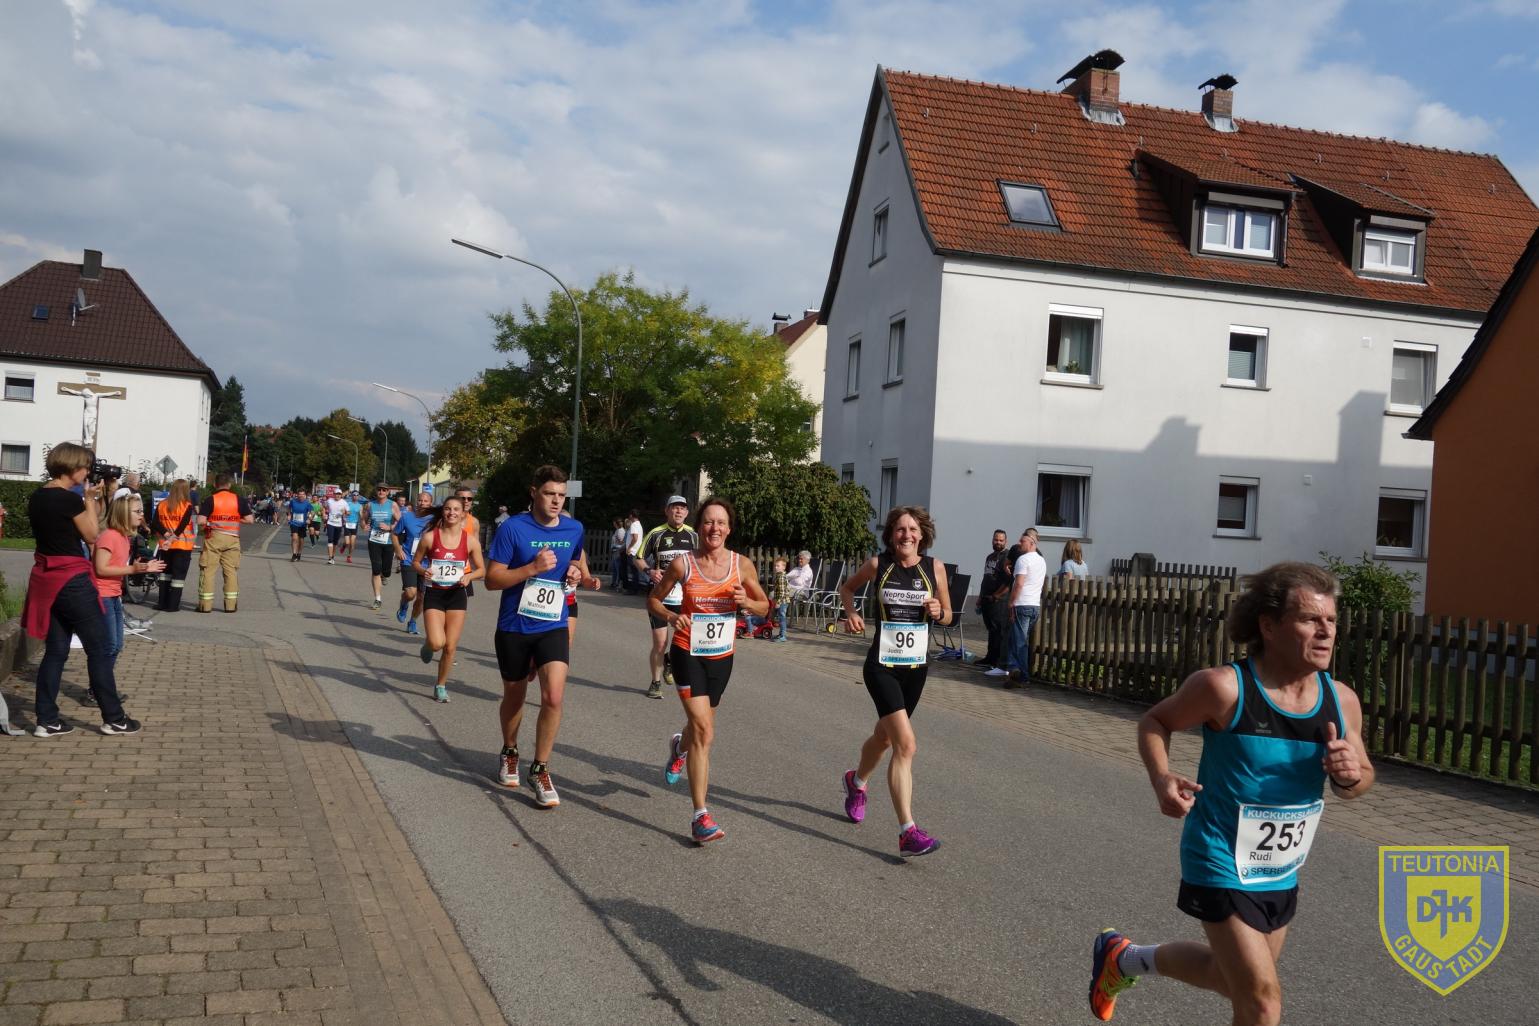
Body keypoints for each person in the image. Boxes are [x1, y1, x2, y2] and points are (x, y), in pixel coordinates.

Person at [1088, 562, 1374, 1024]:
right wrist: (1162, 777)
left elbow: (1360, 779)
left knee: (1228, 979)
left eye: (1331, 620)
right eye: (1310, 619)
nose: (1326, 632)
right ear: (1269, 626)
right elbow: (1155, 722)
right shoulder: (1224, 688)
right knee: (1262, 1003)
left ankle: (1123, 959)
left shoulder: (1341, 700)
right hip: (1218, 856)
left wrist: (1349, 775)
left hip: (1279, 869)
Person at [836, 506, 953, 858]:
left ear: (922, 534)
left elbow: (948, 615)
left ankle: (856, 781)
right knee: (906, 745)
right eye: (900, 529)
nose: (906, 535)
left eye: (913, 529)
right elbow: (847, 589)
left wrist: (939, 612)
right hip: (882, 667)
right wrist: (852, 612)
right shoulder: (879, 565)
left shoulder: (934, 568)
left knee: (885, 737)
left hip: (915, 669)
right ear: (891, 535)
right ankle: (907, 832)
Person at [651, 497, 769, 844]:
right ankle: (700, 816)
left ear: (729, 529)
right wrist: (672, 616)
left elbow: (765, 606)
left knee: (699, 727)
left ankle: (679, 748)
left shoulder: (741, 565)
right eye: (708, 522)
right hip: (687, 652)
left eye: (720, 523)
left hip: (721, 657)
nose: (714, 528)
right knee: (704, 730)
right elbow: (654, 600)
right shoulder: (682, 564)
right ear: (699, 527)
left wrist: (747, 603)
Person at [485, 465, 599, 808]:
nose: (556, 500)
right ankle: (509, 750)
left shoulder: (573, 528)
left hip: (553, 623)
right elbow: (492, 579)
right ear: (534, 492)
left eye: (561, 495)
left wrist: (578, 575)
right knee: (515, 695)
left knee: (553, 696)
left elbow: (574, 562)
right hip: (514, 626)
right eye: (550, 493)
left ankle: (540, 768)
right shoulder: (512, 528)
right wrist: (531, 568)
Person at [21, 443, 141, 736]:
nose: (88, 472)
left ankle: (47, 720)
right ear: (73, 467)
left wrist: (89, 500)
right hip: (72, 580)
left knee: (56, 651)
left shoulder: (38, 496)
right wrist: (88, 499)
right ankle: (114, 718)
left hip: (47, 580)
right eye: (86, 467)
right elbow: (92, 534)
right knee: (100, 649)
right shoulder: (67, 499)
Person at [411, 496, 485, 704]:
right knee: (437, 642)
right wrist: (423, 570)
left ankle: (441, 686)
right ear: (442, 512)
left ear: (463, 514)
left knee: (450, 646)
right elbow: (415, 562)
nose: (451, 512)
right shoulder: (429, 537)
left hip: (457, 595)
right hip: (435, 593)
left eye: (456, 509)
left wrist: (469, 576)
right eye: (447, 509)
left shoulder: (470, 541)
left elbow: (482, 570)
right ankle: (429, 645)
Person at [634, 495, 698, 699]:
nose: (678, 511)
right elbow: (638, 558)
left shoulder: (693, 536)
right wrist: (649, 571)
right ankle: (655, 683)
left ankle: (670, 659)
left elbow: (703, 561)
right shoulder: (656, 534)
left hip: (684, 599)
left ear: (687, 513)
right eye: (674, 508)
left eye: (682, 508)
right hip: (659, 598)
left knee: (687, 642)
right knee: (660, 643)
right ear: (667, 511)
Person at [93, 493, 165, 671]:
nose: (142, 515)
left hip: (114, 595)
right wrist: (133, 569)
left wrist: (144, 567)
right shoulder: (109, 536)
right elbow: (100, 569)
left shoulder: (124, 538)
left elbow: (119, 567)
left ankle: (103, 683)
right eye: (137, 511)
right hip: (102, 596)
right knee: (109, 646)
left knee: (117, 645)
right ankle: (100, 684)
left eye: (142, 511)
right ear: (123, 514)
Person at [195, 474, 252, 613]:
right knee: (231, 572)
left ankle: (205, 606)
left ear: (215, 485)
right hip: (232, 539)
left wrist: (211, 522)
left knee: (208, 571)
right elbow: (250, 520)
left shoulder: (210, 500)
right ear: (229, 485)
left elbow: (200, 521)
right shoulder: (239, 500)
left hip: (214, 538)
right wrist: (235, 519)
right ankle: (230, 605)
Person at [1006, 530, 1046, 688]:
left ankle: (1022, 676)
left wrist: (1011, 602)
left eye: (1022, 541)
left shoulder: (1023, 559)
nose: (1019, 543)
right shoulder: (1041, 561)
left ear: (1031, 543)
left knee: (1020, 642)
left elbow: (1019, 583)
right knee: (1017, 639)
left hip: (1022, 604)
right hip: (1035, 605)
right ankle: (1013, 670)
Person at [393, 490, 434, 635]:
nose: (422, 503)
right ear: (416, 502)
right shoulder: (407, 516)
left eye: (425, 501)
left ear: (430, 503)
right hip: (409, 560)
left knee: (422, 597)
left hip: (427, 564)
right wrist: (398, 550)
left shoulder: (436, 520)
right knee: (411, 593)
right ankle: (404, 604)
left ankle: (412, 621)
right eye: (420, 500)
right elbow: (394, 534)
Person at [153, 479, 197, 612]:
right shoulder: (186, 506)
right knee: (178, 577)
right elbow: (182, 526)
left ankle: (162, 603)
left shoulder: (162, 504)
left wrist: (166, 534)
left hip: (165, 546)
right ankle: (173, 605)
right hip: (182, 545)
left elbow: (155, 523)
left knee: (165, 574)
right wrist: (173, 537)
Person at [975, 529, 1010, 670]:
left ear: (1006, 541)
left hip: (998, 601)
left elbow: (1008, 581)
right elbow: (986, 578)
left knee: (997, 630)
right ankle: (989, 657)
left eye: (1001, 540)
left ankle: (996, 661)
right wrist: (980, 597)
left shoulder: (1007, 557)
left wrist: (997, 595)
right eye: (996, 540)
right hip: (986, 598)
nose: (998, 542)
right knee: (991, 629)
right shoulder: (990, 557)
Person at [363, 484, 400, 610]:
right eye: (379, 489)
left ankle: (384, 575)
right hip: (374, 540)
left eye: (384, 490)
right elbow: (363, 519)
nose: (381, 492)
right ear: (376, 491)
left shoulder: (393, 505)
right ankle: (377, 599)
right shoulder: (370, 505)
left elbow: (400, 522)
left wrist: (390, 527)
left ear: (388, 492)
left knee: (386, 571)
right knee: (376, 569)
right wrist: (364, 526)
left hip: (388, 541)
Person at [285, 489, 313, 561]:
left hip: (303, 524)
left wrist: (309, 519)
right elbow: (288, 508)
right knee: (294, 538)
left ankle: (299, 553)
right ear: (297, 495)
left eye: (302, 494)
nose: (301, 496)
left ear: (305, 495)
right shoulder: (293, 501)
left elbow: (312, 512)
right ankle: (294, 554)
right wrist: (289, 515)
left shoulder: (307, 503)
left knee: (301, 539)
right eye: (300, 494)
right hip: (293, 522)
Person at [323, 489, 349, 564]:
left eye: (339, 494)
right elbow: (324, 506)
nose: (337, 495)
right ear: (334, 494)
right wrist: (324, 514)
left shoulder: (344, 502)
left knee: (335, 542)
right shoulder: (329, 501)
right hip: (330, 523)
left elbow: (348, 512)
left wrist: (345, 512)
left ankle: (333, 556)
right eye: (336, 494)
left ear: (341, 495)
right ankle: (330, 558)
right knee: (330, 539)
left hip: (339, 524)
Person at [623, 511, 643, 593]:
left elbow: (635, 538)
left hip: (632, 551)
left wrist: (629, 548)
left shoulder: (634, 525)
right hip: (637, 550)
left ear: (631, 515)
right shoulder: (639, 524)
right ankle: (635, 588)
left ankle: (633, 589)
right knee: (635, 571)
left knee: (633, 571)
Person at [342, 491, 363, 563]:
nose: (355, 496)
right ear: (352, 496)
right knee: (347, 542)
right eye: (354, 495)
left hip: (354, 524)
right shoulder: (348, 503)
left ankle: (349, 556)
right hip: (347, 523)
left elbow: (361, 515)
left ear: (358, 496)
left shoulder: (360, 506)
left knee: (352, 543)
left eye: (357, 495)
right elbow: (343, 511)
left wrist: (363, 520)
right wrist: (345, 515)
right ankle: (344, 545)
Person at [609, 517, 627, 590]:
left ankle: (617, 583)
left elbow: (621, 542)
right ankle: (614, 583)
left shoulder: (620, 531)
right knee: (615, 568)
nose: (613, 523)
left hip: (617, 551)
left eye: (614, 522)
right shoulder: (617, 530)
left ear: (616, 523)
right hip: (615, 551)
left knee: (617, 568)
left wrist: (615, 546)